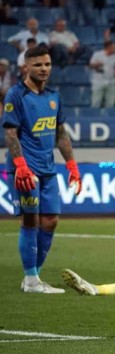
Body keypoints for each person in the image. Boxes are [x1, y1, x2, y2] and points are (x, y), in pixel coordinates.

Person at [2, 45, 83, 294]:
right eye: (37, 64)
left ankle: (33, 279)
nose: (43, 68)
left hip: (48, 170)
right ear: (25, 67)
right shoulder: (16, 95)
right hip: (26, 170)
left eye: (47, 64)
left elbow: (60, 134)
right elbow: (10, 133)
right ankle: (31, 280)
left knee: (51, 221)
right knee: (31, 220)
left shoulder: (53, 96)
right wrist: (21, 167)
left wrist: (72, 165)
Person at [90, 41, 115, 109]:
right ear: (109, 47)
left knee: (110, 104)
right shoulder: (97, 55)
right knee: (96, 102)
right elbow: (91, 65)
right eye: (114, 47)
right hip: (98, 82)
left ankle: (109, 118)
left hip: (111, 82)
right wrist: (96, 65)